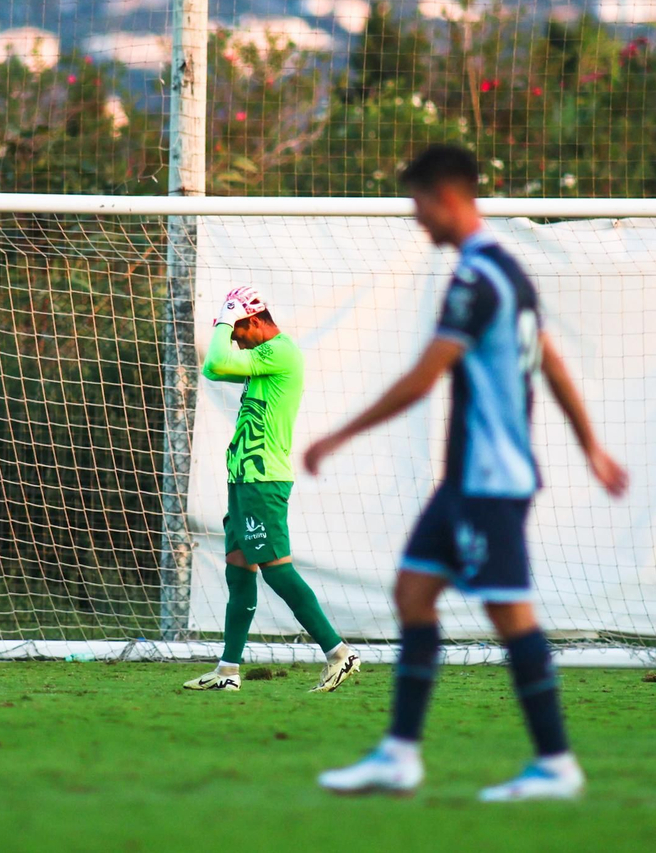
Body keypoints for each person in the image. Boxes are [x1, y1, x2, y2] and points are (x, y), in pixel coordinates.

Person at [306, 144, 628, 801]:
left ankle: (557, 764)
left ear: (447, 198)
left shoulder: (477, 280)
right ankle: (399, 756)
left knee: (511, 616)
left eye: (418, 205)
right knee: (413, 595)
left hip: (489, 481)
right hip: (463, 483)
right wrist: (590, 445)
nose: (416, 220)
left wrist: (337, 435)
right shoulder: (509, 272)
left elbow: (425, 378)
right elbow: (554, 365)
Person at [182, 286, 360, 694]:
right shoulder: (263, 355)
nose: (235, 338)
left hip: (263, 480)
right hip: (245, 480)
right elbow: (213, 369)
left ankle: (338, 652)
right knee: (238, 570)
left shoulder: (279, 351)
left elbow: (215, 359)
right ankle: (227, 672)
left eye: (238, 330)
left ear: (255, 322)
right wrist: (229, 321)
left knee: (277, 571)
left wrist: (227, 317)